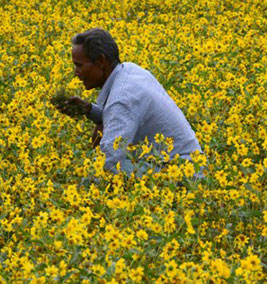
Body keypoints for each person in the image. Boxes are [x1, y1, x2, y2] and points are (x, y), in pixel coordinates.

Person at [55, 28, 203, 176]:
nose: (76, 73)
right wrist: (89, 110)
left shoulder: (122, 98)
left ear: (100, 61)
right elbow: (116, 115)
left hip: (180, 173)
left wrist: (76, 174)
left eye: (79, 65)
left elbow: (110, 160)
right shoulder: (129, 70)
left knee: (107, 168)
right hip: (190, 163)